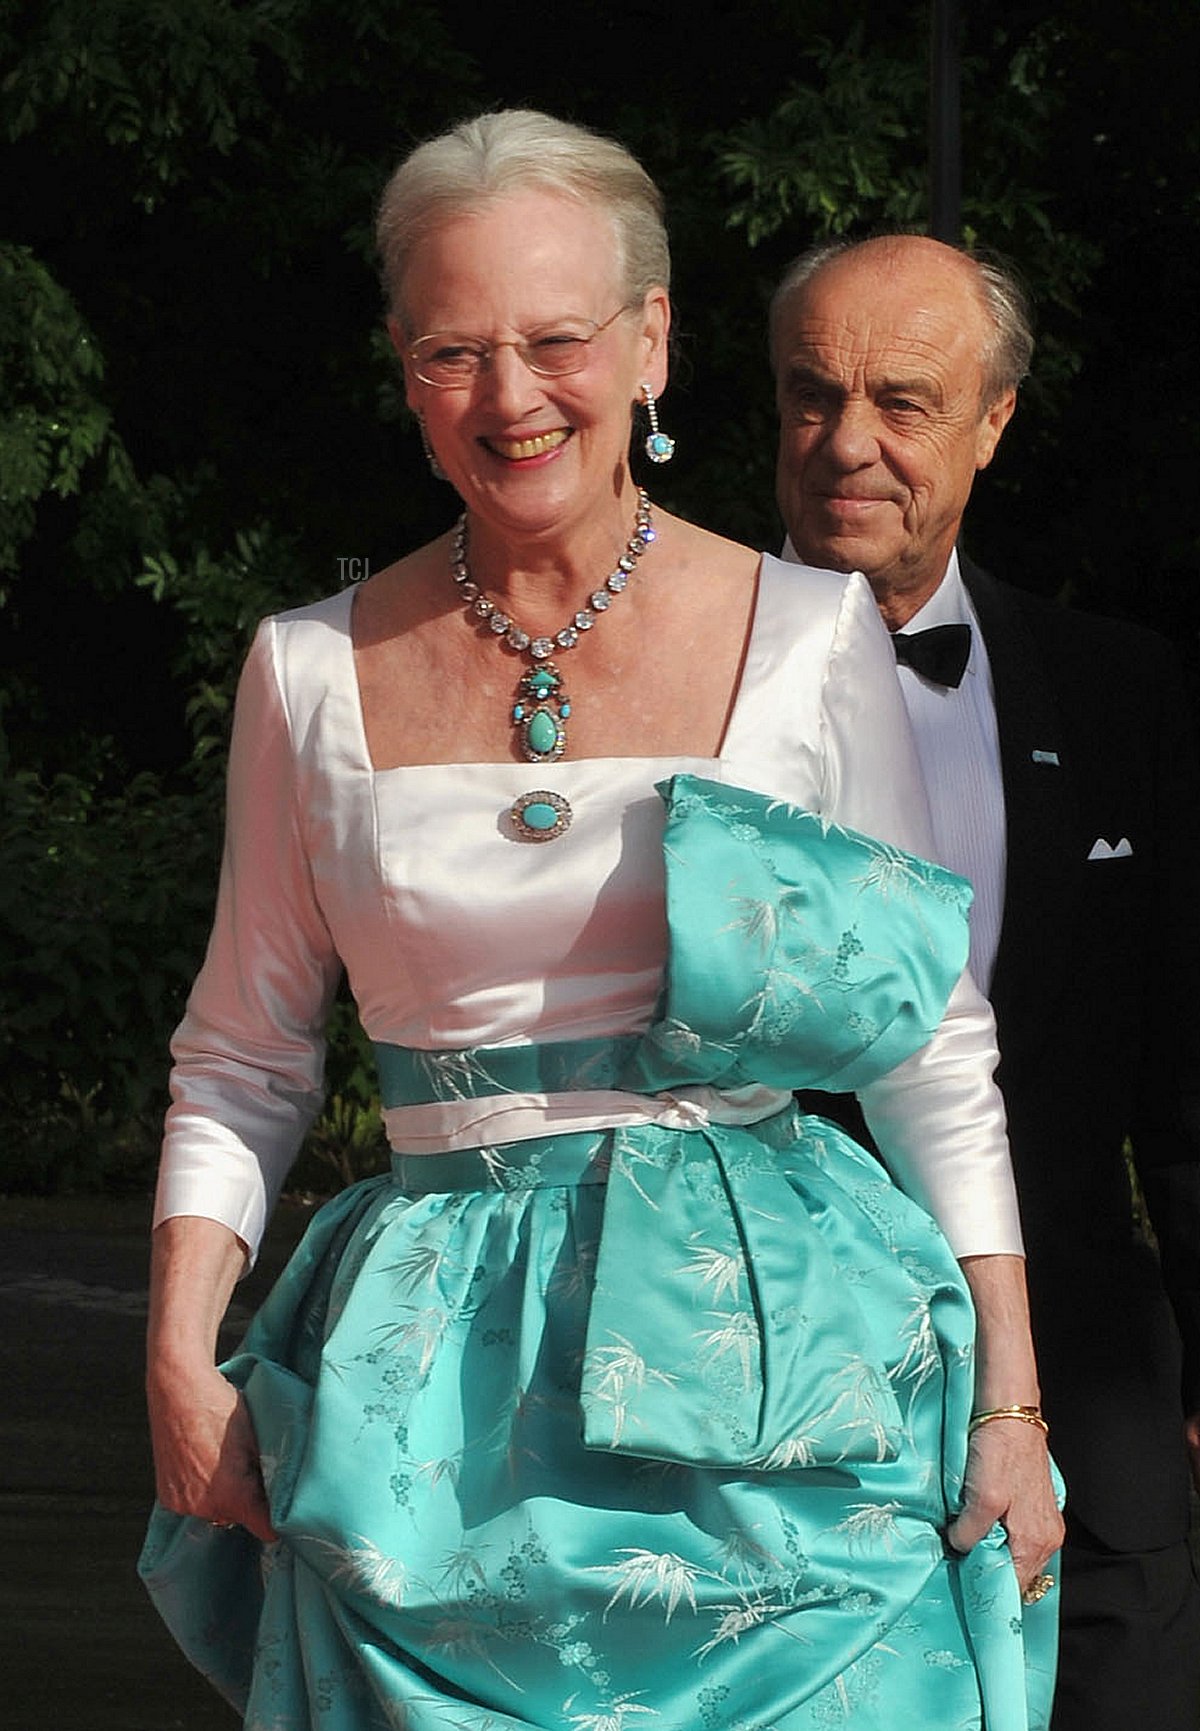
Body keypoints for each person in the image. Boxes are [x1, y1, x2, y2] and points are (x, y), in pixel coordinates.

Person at [139, 115, 1063, 1731]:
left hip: (794, 1396)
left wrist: (1011, 1396)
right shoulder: (303, 671)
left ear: (651, 346)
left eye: (558, 340)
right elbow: (242, 1058)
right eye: (454, 350)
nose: (511, 397)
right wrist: (171, 1355)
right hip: (428, 1427)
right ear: (402, 370)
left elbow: (929, 1046)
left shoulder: (814, 635)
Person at [771, 231, 1200, 1731]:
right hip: (769, 1397)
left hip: (1089, 1391)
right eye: (811, 397)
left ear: (995, 420)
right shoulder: (668, 683)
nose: (847, 444)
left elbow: (1181, 1088)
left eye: (902, 400)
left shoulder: (1120, 687)